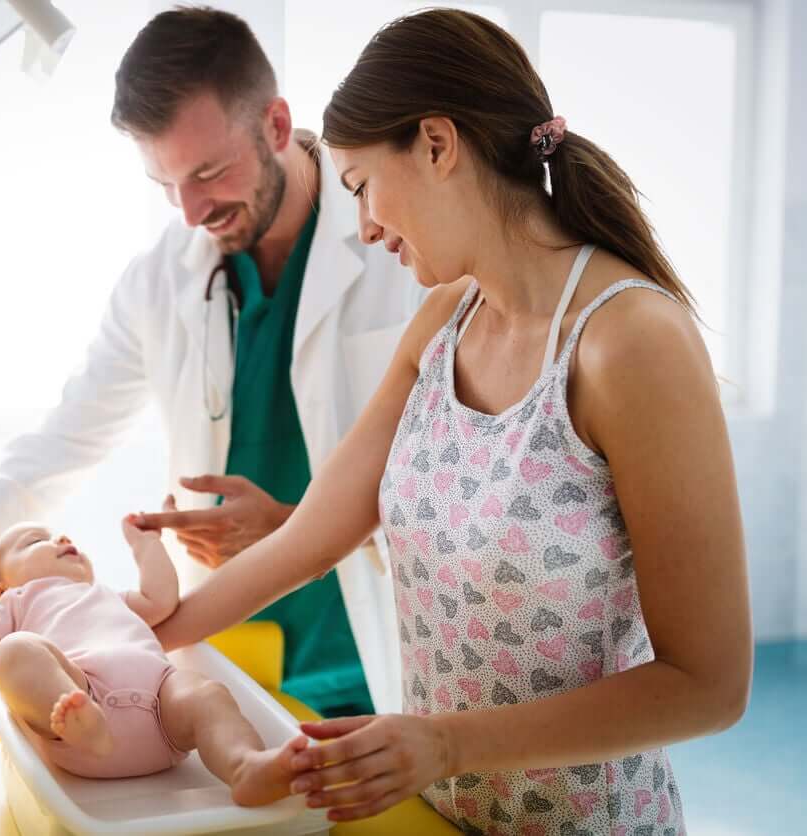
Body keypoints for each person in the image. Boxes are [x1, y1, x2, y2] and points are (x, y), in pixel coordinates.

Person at [154, 9, 752, 832]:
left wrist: (444, 743)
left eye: (361, 185)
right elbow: (313, 536)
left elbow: (708, 685)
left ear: (437, 145)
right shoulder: (442, 321)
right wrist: (138, 630)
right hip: (442, 816)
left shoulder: (630, 343)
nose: (362, 226)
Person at [0, 7, 422, 718]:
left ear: (277, 125)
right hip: (223, 661)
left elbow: (464, 476)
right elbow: (63, 443)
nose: (190, 212)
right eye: (165, 186)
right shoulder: (162, 281)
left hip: (377, 655)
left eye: (210, 173)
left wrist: (292, 526)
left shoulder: (400, 245)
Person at [0, 519, 309, 805]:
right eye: (37, 540)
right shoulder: (16, 604)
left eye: (59, 534)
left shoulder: (108, 595)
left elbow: (161, 598)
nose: (62, 537)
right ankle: (84, 726)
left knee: (206, 694)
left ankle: (245, 766)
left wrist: (146, 543)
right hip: (79, 702)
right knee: (13, 651)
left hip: (162, 705)